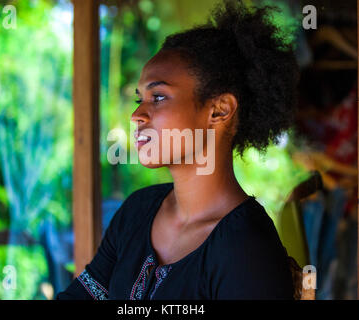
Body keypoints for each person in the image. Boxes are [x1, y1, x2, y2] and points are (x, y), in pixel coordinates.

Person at [57, 0, 299, 300]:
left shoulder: (247, 248)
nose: (137, 116)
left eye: (158, 97)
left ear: (219, 110)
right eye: (139, 99)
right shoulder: (137, 211)